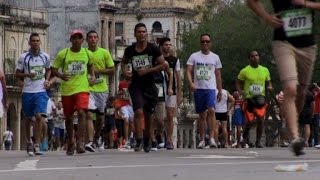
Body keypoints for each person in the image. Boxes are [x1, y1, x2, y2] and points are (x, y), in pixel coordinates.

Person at [247, 0, 320, 156]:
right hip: (283, 42)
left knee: (301, 92)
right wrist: (266, 17)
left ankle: (289, 122)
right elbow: (251, 1)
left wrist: (305, 4)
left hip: (307, 46)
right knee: (290, 88)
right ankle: (295, 138)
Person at [121, 23, 166, 153]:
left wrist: (148, 70)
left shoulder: (153, 49)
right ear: (135, 34)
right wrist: (125, 72)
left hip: (150, 85)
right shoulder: (130, 50)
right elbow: (123, 62)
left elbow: (163, 65)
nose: (141, 34)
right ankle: (139, 139)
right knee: (138, 112)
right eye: (139, 32)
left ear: (147, 34)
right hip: (136, 85)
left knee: (148, 115)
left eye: (143, 32)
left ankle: (147, 139)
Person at [52, 29, 96, 155]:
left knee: (82, 113)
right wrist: (61, 76)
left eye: (79, 38)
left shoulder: (87, 53)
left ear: (83, 40)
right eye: (74, 38)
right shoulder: (63, 54)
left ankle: (80, 142)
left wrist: (92, 76)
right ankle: (71, 141)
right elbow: (54, 68)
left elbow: (90, 65)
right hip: (67, 90)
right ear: (71, 40)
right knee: (69, 118)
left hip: (82, 88)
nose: (77, 40)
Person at [15, 33, 51, 156]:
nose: (35, 43)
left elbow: (49, 69)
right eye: (33, 41)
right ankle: (28, 141)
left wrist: (47, 80)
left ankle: (37, 144)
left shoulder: (45, 56)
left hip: (40, 91)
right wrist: (28, 75)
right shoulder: (23, 57)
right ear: (29, 43)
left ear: (40, 42)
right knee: (28, 118)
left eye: (37, 41)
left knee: (39, 116)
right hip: (27, 91)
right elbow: (17, 74)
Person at [186, 34, 222, 149]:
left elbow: (218, 74)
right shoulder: (194, 56)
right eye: (203, 42)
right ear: (200, 43)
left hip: (211, 88)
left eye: (207, 41)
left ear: (210, 43)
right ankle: (202, 139)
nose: (205, 43)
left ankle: (211, 138)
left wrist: (220, 90)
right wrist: (191, 83)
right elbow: (188, 70)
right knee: (201, 115)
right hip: (199, 88)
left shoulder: (215, 57)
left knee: (211, 110)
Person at [236, 51, 273, 148]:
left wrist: (269, 87)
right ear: (249, 58)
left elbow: (269, 82)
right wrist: (240, 91)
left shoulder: (265, 70)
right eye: (252, 56)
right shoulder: (245, 71)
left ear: (259, 57)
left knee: (261, 120)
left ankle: (258, 141)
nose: (254, 57)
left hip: (260, 99)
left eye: (256, 55)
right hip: (249, 99)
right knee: (249, 122)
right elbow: (238, 81)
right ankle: (244, 139)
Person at [85, 30, 115, 151]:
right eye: (90, 37)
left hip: (101, 88)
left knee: (100, 117)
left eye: (95, 37)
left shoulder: (104, 53)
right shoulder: (84, 53)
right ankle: (90, 141)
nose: (93, 39)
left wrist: (99, 71)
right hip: (88, 88)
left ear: (97, 39)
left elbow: (112, 70)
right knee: (88, 114)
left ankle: (97, 136)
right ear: (87, 40)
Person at [159, 37, 182, 150]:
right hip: (158, 90)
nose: (168, 46)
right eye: (166, 44)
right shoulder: (157, 59)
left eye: (169, 44)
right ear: (161, 46)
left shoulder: (174, 60)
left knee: (170, 115)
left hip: (170, 91)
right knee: (158, 116)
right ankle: (157, 137)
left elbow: (178, 76)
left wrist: (179, 92)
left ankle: (169, 139)